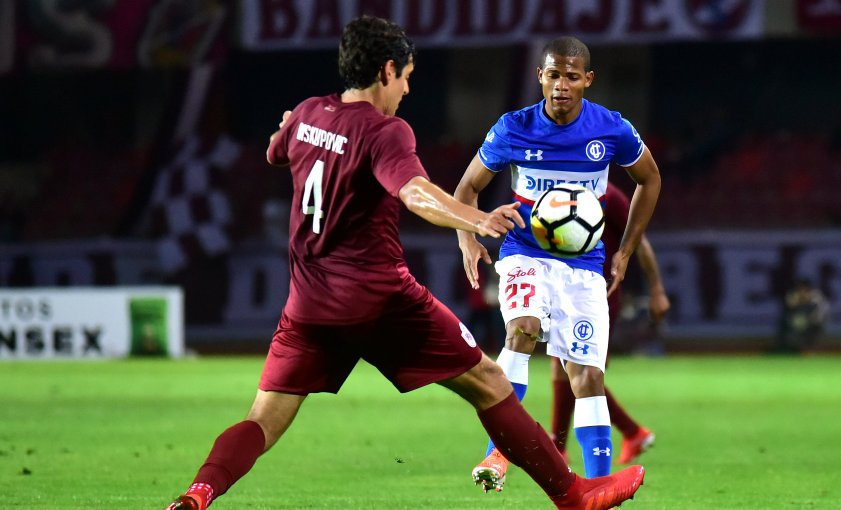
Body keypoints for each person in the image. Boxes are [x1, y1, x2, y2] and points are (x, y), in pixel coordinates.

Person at [165, 16, 644, 510]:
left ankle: (198, 493)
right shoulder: (386, 131)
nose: (408, 89)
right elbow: (415, 193)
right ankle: (572, 495)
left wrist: (294, 125)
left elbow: (275, 152)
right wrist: (476, 220)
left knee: (261, 421)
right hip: (381, 300)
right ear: (387, 70)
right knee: (490, 381)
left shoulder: (309, 113)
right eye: (407, 76)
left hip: (308, 306)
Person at [454, 36, 661, 492]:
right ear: (540, 77)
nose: (561, 85)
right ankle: (497, 452)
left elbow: (650, 179)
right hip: (524, 254)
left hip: (584, 266)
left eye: (571, 76)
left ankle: (600, 486)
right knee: (522, 329)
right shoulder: (512, 128)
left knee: (587, 375)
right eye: (553, 75)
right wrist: (468, 239)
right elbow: (467, 189)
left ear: (587, 80)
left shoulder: (611, 129)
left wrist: (625, 250)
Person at [548, 183, 670, 468]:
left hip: (600, 293)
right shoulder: (554, 192)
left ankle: (560, 446)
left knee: (580, 369)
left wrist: (656, 289)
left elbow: (640, 240)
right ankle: (630, 432)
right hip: (565, 290)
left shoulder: (608, 195)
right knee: (567, 367)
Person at [774, 278, 830, 353]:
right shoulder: (795, 294)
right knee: (788, 324)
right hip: (802, 323)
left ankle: (810, 350)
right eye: (800, 288)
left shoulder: (816, 295)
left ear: (808, 288)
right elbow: (790, 305)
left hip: (816, 322)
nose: (801, 290)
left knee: (811, 334)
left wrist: (803, 299)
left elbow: (813, 309)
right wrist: (797, 300)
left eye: (803, 288)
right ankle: (786, 349)